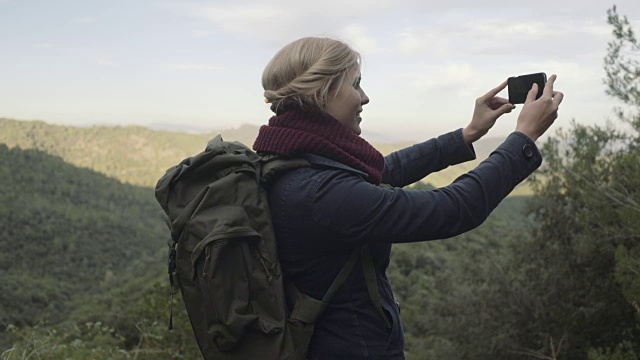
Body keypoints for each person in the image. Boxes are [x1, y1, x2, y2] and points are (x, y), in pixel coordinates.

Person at [252, 37, 563, 359]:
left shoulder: (290, 159)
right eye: (355, 84)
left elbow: (382, 171)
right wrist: (523, 138)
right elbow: (452, 209)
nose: (364, 97)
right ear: (322, 92)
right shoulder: (317, 192)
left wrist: (468, 133)